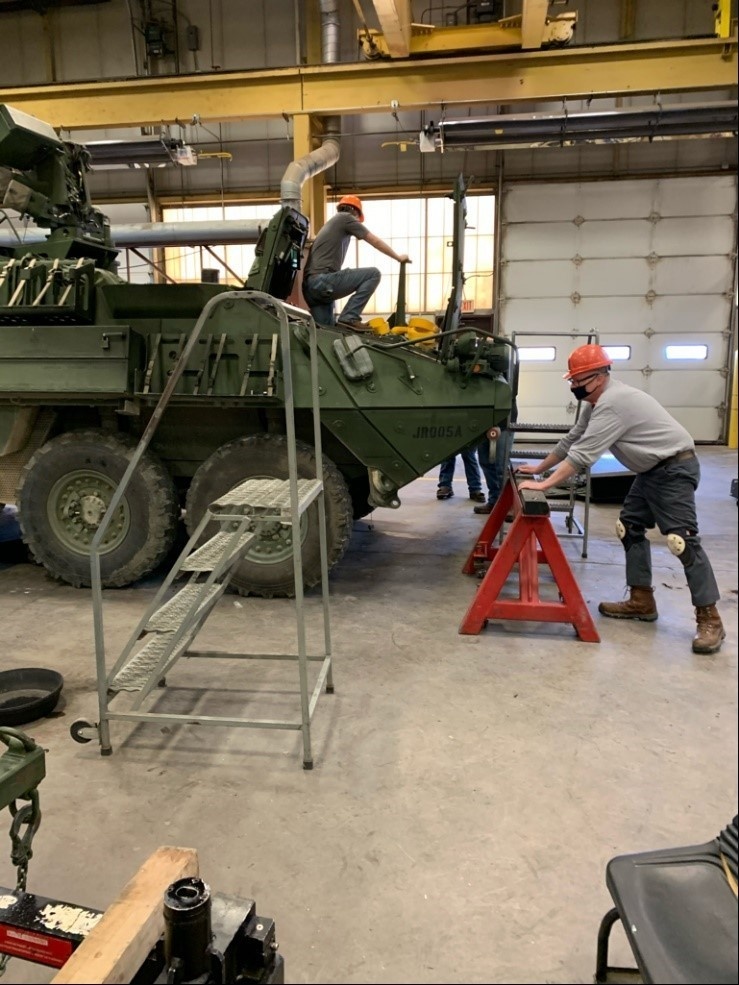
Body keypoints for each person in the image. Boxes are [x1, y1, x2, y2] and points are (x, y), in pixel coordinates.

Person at [516, 343, 725, 655]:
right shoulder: (593, 402)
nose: (573, 386)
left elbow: (582, 455)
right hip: (651, 471)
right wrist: (540, 467)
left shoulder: (613, 403)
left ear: (599, 377)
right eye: (572, 381)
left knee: (682, 541)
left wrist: (545, 485)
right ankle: (642, 599)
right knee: (629, 527)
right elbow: (573, 439)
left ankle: (710, 619)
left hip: (674, 468)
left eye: (578, 380)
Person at [301, 194, 411, 331]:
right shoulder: (346, 218)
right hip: (322, 281)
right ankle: (349, 317)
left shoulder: (332, 223)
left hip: (310, 289)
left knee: (326, 334)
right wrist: (398, 257)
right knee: (373, 274)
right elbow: (374, 241)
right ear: (355, 212)